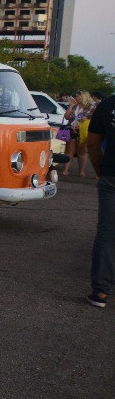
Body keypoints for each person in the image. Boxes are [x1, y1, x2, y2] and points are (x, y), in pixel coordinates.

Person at [86, 90, 114, 307]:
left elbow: (93, 144)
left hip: (111, 176)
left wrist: (100, 170)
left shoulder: (106, 106)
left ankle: (101, 292)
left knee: (107, 232)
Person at [63, 92, 97, 176]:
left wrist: (86, 118)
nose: (75, 98)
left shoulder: (90, 107)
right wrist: (70, 106)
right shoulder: (74, 106)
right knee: (69, 150)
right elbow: (66, 117)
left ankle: (81, 171)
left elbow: (94, 116)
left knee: (82, 151)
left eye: (77, 96)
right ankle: (66, 170)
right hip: (71, 129)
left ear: (83, 97)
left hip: (82, 130)